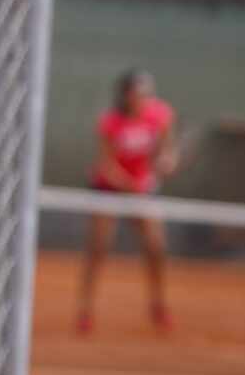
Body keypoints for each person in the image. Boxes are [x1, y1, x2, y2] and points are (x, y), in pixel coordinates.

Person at [75, 68, 178, 334]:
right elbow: (106, 165)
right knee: (99, 247)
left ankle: (158, 304)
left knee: (156, 246)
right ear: (125, 95)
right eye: (137, 94)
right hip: (108, 189)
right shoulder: (110, 122)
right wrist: (129, 185)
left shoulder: (161, 116)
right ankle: (85, 310)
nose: (142, 99)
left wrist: (166, 162)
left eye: (146, 94)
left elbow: (167, 153)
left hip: (142, 191)